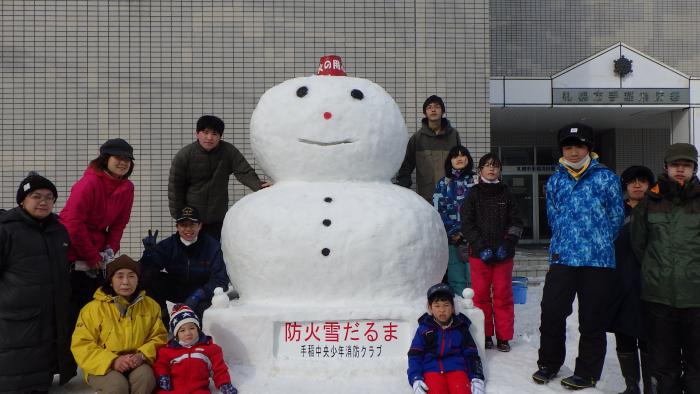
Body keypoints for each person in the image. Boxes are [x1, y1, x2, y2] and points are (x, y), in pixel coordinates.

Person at [532, 123, 624, 390]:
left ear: (589, 148)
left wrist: (599, 241)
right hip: (563, 258)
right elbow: (552, 216)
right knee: (551, 312)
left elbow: (616, 217)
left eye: (579, 146)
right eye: (568, 147)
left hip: (597, 261)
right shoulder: (556, 180)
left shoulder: (606, 178)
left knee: (592, 319)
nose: (573, 152)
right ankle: (549, 363)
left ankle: (587, 372)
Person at [631, 143, 700, 394]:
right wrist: (655, 270)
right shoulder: (651, 201)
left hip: (696, 297)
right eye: (675, 165)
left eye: (687, 165)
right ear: (666, 167)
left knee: (697, 364)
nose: (680, 170)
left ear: (694, 168)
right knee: (664, 365)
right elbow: (639, 244)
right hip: (659, 297)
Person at [0, 173, 76, 391]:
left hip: (49, 317)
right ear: (22, 201)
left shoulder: (59, 231)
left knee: (41, 379)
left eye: (49, 197)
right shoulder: (6, 230)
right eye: (36, 196)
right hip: (14, 321)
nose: (43, 201)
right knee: (14, 380)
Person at [60, 138, 136, 318]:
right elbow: (73, 223)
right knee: (76, 308)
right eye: (118, 157)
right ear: (105, 159)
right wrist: (91, 256)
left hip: (97, 252)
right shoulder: (89, 183)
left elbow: (120, 223)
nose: (123, 162)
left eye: (128, 159)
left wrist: (110, 249)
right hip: (73, 251)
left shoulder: (127, 187)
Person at [71, 255, 167, 393]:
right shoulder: (92, 309)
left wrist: (142, 356)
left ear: (138, 279)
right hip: (102, 365)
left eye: (131, 276)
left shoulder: (151, 306)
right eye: (119, 276)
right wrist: (113, 361)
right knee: (117, 386)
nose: (126, 282)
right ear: (111, 281)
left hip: (138, 362)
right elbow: (82, 345)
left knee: (146, 378)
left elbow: (159, 337)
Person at [168, 115, 270, 240]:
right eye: (205, 132)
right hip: (191, 218)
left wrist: (260, 186)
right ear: (197, 134)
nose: (209, 137)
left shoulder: (228, 151)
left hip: (216, 215)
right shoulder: (185, 155)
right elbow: (175, 188)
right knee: (189, 252)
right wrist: (179, 216)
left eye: (214, 134)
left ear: (220, 136)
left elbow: (244, 171)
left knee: (212, 252)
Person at [460, 153, 523, 352]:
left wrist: (509, 243)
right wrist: (480, 246)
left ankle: (504, 337)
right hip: (480, 255)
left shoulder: (507, 193)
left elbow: (516, 222)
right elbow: (467, 224)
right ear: (480, 170)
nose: (491, 169)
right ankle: (485, 334)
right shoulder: (473, 194)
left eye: (495, 166)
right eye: (487, 166)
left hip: (503, 255)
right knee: (481, 296)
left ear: (500, 171)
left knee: (503, 295)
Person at [607, 165, 654, 394]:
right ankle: (631, 387)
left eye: (642, 181)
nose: (637, 185)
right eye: (632, 181)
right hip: (619, 285)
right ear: (624, 186)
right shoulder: (615, 212)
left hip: (650, 286)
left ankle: (651, 387)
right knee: (623, 335)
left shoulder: (657, 211)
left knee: (649, 337)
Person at [140, 206, 230, 321]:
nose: (188, 229)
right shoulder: (168, 245)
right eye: (183, 225)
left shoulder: (212, 247)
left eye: (192, 225)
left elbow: (220, 279)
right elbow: (148, 271)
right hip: (175, 289)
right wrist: (149, 254)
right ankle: (162, 320)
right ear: (177, 227)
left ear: (200, 226)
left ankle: (198, 333)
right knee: (151, 282)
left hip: (200, 293)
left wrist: (198, 295)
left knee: (204, 312)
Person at [407, 283, 485, 394]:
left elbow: (471, 354)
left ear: (453, 307)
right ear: (430, 308)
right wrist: (415, 377)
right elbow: (415, 355)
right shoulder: (424, 329)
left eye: (446, 305)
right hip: (431, 370)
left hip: (457, 370)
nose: (442, 310)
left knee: (462, 390)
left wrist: (477, 377)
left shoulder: (461, 328)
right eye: (437, 306)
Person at [154, 303, 238, 394]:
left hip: (199, 389)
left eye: (192, 328)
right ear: (176, 335)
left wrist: (224, 384)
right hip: (174, 389)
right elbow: (160, 365)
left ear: (198, 329)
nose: (188, 333)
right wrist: (163, 376)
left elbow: (219, 369)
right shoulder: (168, 351)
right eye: (182, 330)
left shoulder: (209, 349)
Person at [396, 95, 462, 202]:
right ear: (425, 113)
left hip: (451, 197)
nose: (433, 110)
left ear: (443, 111)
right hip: (426, 197)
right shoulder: (417, 138)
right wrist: (403, 184)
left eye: (437, 106)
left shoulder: (453, 135)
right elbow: (406, 166)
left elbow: (461, 163)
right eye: (429, 107)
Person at [432, 145, 475, 296]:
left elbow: (482, 209)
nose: (459, 158)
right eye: (455, 156)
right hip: (452, 239)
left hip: (475, 239)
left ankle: (477, 313)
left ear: (468, 159)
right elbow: (438, 210)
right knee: (456, 279)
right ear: (450, 160)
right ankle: (461, 313)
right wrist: (454, 232)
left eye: (463, 155)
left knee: (475, 278)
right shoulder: (443, 183)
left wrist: (469, 232)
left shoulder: (475, 181)